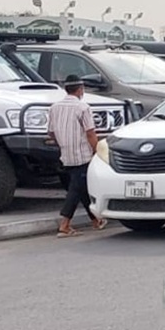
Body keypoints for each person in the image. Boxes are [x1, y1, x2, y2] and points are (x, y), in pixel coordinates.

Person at [46, 75, 106, 237]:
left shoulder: (54, 107)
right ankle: (64, 225)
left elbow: (51, 132)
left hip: (66, 154)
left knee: (80, 186)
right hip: (82, 154)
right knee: (76, 188)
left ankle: (96, 220)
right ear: (80, 89)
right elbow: (90, 133)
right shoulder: (83, 107)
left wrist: (62, 142)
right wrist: (97, 150)